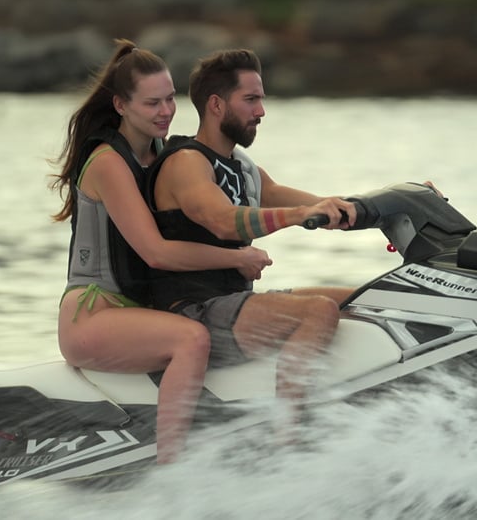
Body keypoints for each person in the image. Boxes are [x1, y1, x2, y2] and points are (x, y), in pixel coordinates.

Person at [50, 39, 272, 464]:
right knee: (191, 337)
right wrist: (237, 257)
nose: (166, 111)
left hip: (141, 310)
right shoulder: (107, 162)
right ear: (120, 105)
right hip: (94, 313)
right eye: (152, 103)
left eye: (170, 98)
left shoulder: (166, 154)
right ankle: (172, 472)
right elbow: (156, 253)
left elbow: (264, 190)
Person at [146, 48, 356, 415]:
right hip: (191, 312)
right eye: (251, 100)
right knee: (318, 311)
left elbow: (297, 199)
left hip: (233, 304)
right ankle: (289, 434)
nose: (261, 111)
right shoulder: (186, 162)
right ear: (216, 105)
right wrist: (300, 215)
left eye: (260, 100)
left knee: (364, 299)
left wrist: (381, 205)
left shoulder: (241, 165)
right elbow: (224, 220)